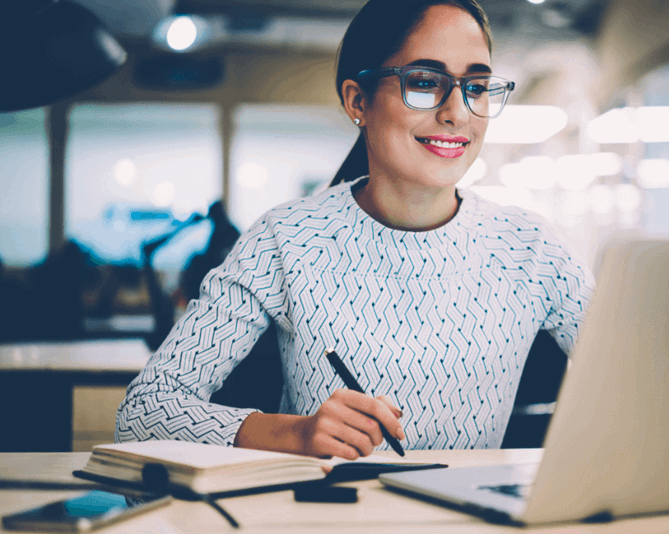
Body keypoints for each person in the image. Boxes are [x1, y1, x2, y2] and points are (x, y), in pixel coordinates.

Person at [116, 0, 595, 460]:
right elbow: (143, 410)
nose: (458, 112)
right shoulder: (287, 239)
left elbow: (650, 382)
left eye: (476, 87)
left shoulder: (531, 249)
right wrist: (292, 432)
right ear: (357, 100)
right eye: (425, 81)